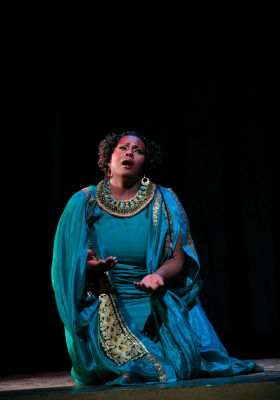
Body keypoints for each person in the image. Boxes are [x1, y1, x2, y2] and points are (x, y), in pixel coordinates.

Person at [51, 131, 263, 386]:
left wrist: (157, 276)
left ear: (146, 164)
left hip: (153, 302)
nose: (130, 152)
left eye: (138, 150)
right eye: (123, 148)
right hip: (106, 302)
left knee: (184, 360)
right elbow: (66, 265)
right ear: (108, 159)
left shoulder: (164, 199)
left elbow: (178, 259)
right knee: (128, 365)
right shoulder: (84, 201)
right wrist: (89, 269)